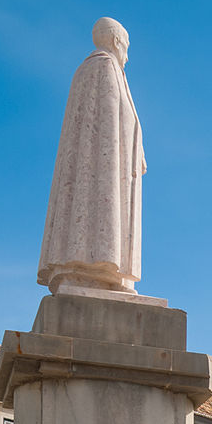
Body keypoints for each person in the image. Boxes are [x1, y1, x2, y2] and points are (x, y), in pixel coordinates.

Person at [38, 17, 146, 295]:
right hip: (102, 167)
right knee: (96, 212)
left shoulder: (99, 70)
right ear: (117, 41)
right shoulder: (103, 67)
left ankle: (105, 273)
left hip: (110, 162)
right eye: (127, 47)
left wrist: (137, 151)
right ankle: (96, 268)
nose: (127, 56)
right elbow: (109, 127)